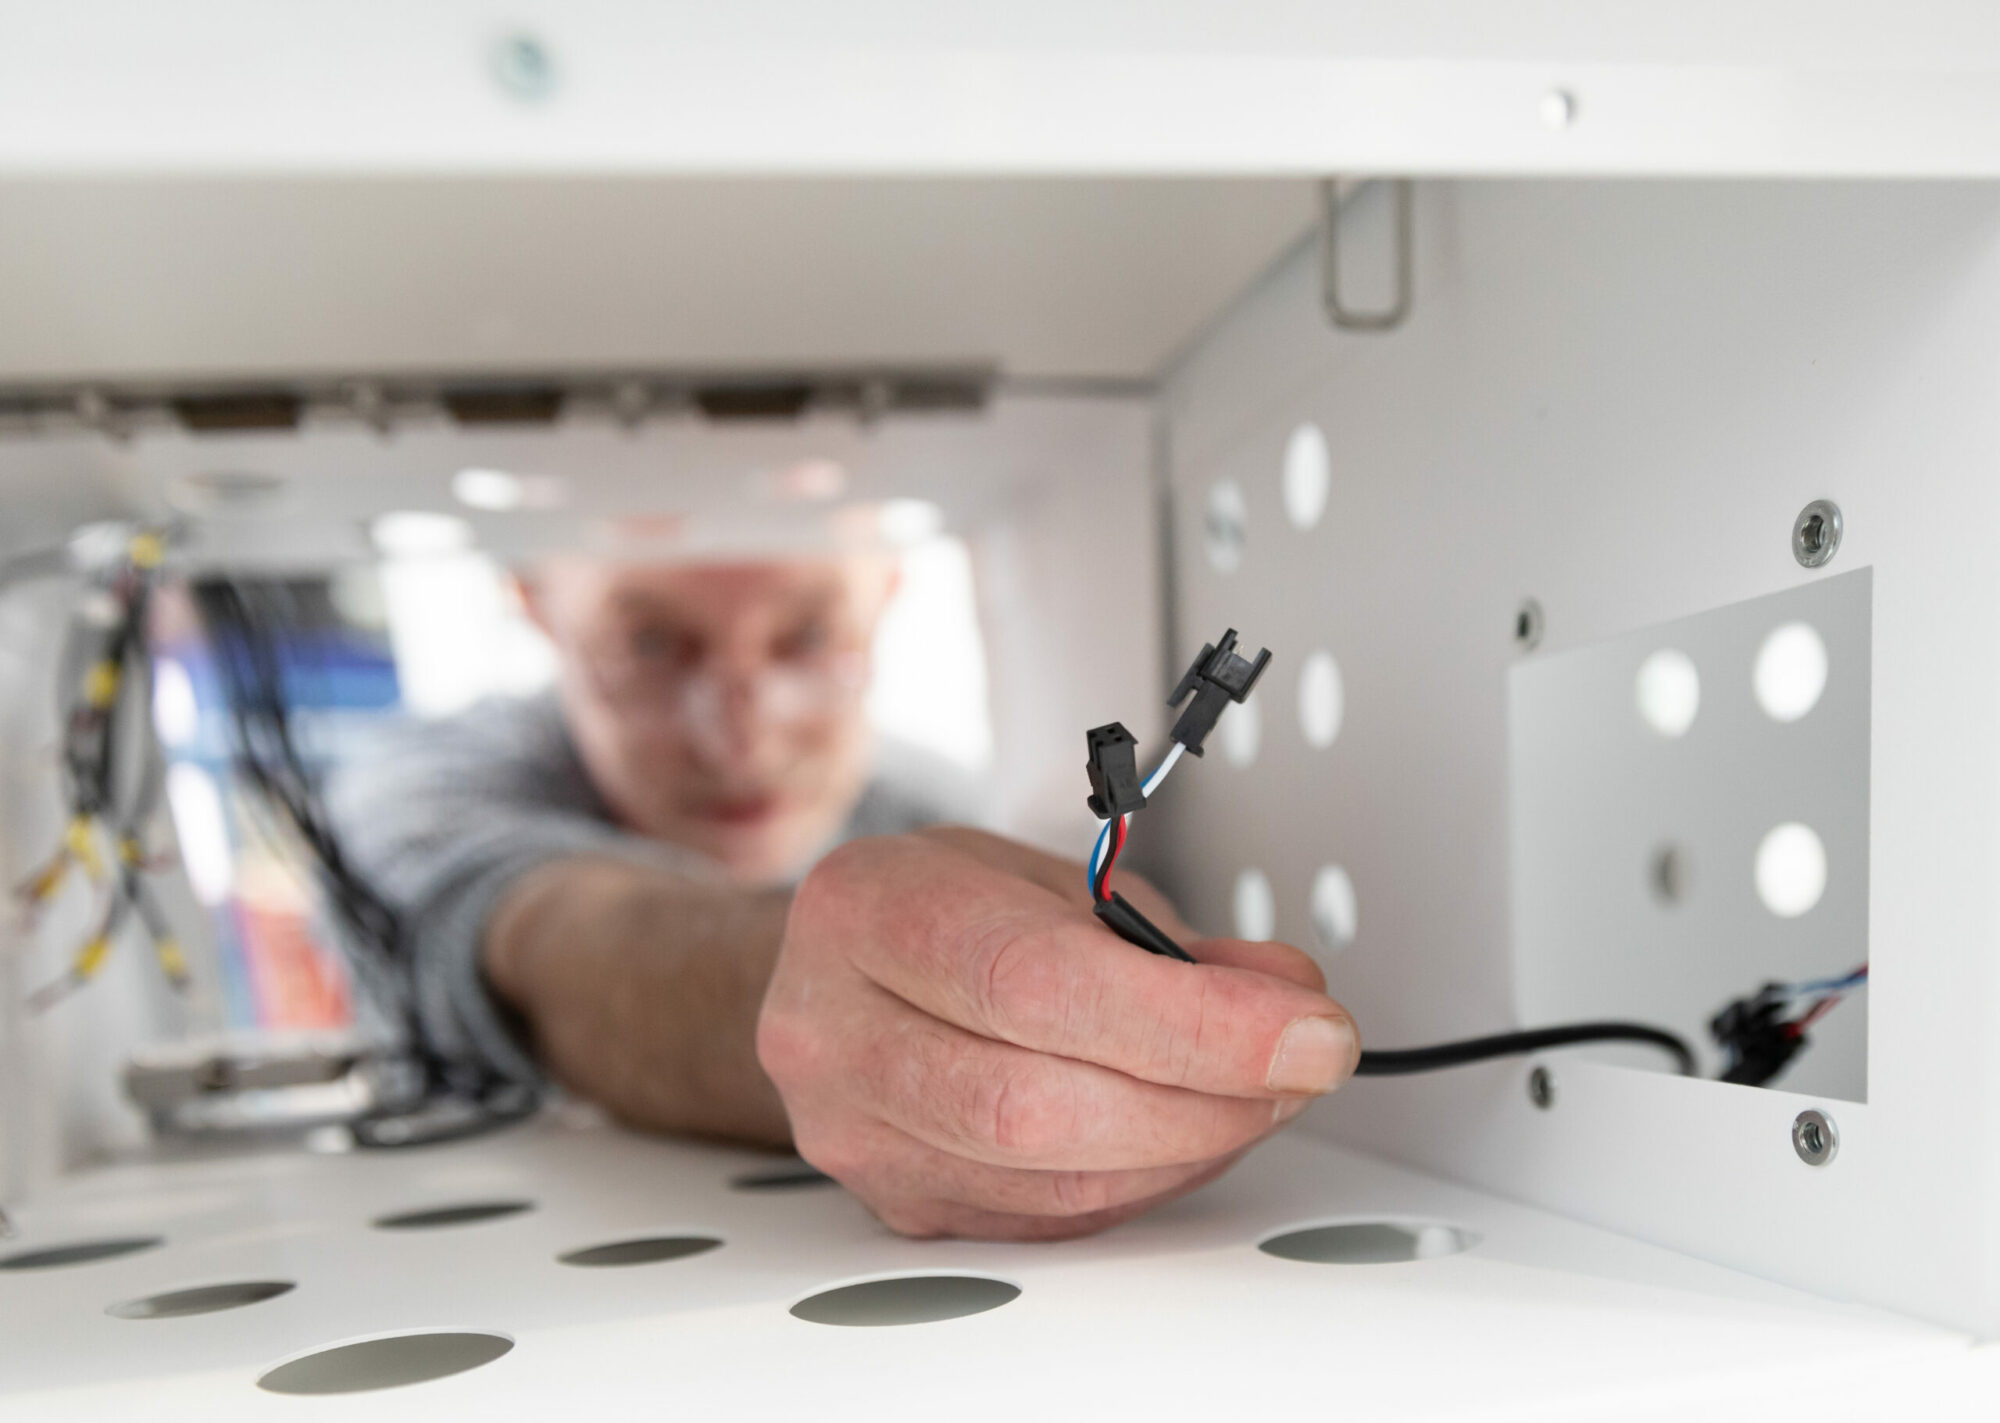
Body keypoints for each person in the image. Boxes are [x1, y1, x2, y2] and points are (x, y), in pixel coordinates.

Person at [328, 550, 1361, 1240]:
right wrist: (785, 981)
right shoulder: (413, 783)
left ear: (888, 589)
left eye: (809, 637)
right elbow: (546, 930)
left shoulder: (936, 804)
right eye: (650, 645)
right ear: (533, 603)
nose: (743, 738)